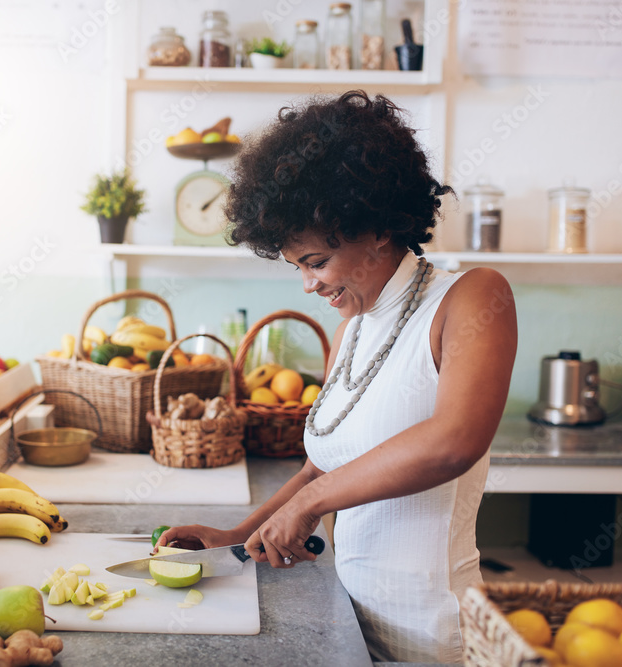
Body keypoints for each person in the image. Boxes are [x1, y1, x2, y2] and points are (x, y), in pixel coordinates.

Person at [157, 90, 517, 663]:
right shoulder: (352, 328)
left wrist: (311, 504)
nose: (308, 284)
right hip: (348, 622)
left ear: (373, 226)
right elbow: (322, 466)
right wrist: (236, 537)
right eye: (296, 266)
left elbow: (454, 441)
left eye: (317, 262)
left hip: (431, 637)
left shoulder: (471, 297)